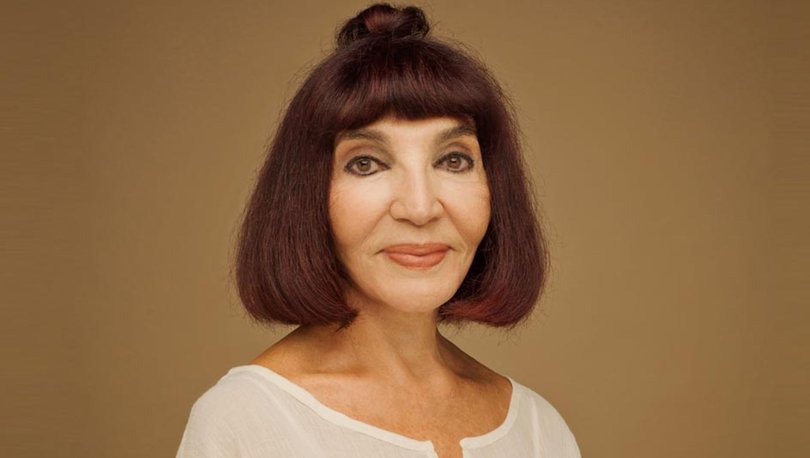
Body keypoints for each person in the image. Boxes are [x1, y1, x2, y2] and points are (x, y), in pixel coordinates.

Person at [176, 4, 581, 457]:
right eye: (367, 163)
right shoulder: (246, 422)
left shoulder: (538, 430)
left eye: (453, 160)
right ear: (308, 194)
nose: (420, 208)